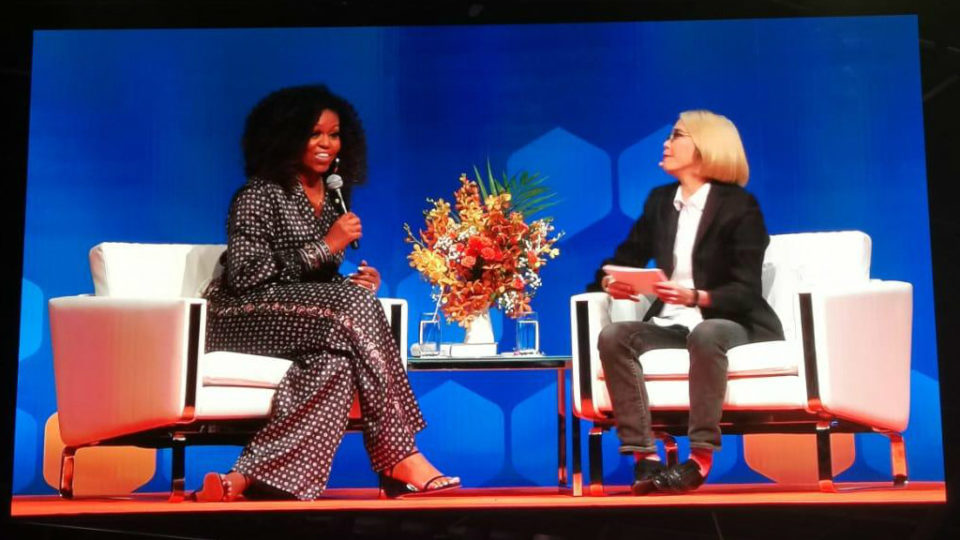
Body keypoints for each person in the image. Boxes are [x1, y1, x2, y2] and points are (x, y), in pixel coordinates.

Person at [195, 84, 460, 501]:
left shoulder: (334, 196)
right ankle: (398, 453)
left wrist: (349, 285)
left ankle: (244, 480)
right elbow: (246, 275)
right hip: (240, 316)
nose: (326, 144)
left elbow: (312, 282)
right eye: (314, 133)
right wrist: (327, 246)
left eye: (334, 135)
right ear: (285, 136)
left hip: (303, 322)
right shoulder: (257, 195)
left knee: (333, 368)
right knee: (354, 308)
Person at [588, 110, 783, 494]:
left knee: (707, 334)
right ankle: (645, 458)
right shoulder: (661, 201)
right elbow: (624, 256)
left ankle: (700, 459)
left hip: (730, 321)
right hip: (673, 323)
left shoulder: (740, 207)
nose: (666, 142)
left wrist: (697, 296)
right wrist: (613, 282)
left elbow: (745, 289)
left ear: (706, 147)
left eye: (676, 135)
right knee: (614, 336)